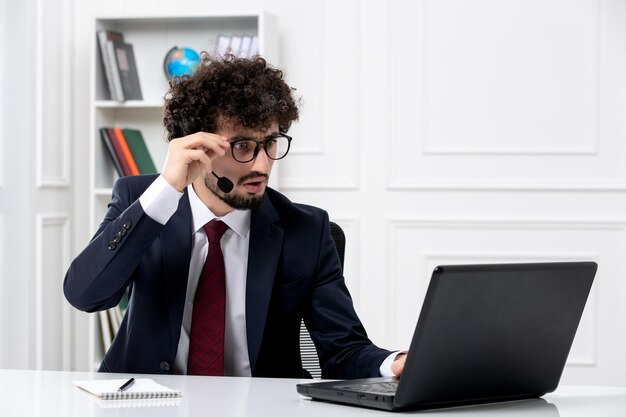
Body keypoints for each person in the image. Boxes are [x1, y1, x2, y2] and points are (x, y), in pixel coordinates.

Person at [64, 54, 406, 379]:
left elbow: (344, 351)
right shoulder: (142, 201)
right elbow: (86, 294)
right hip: (147, 403)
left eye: (270, 142)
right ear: (195, 145)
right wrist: (166, 190)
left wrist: (397, 364)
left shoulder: (306, 230)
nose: (262, 165)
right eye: (242, 146)